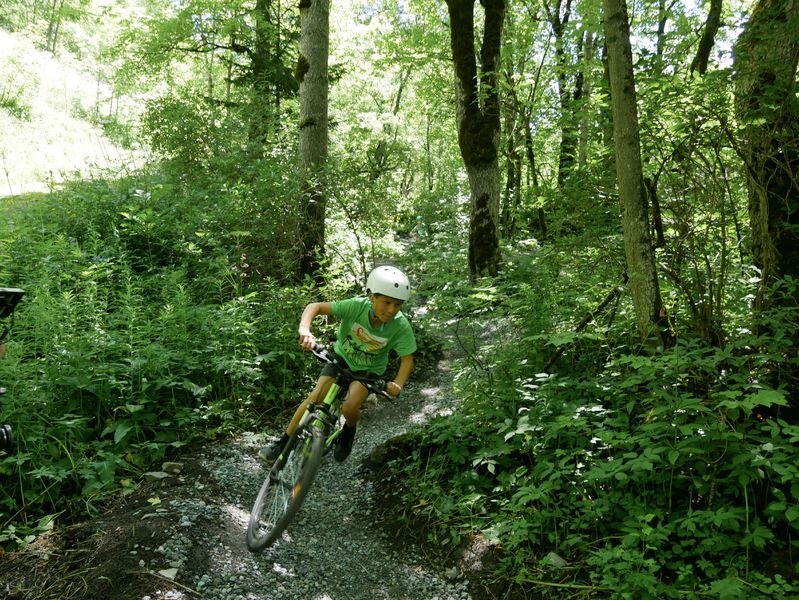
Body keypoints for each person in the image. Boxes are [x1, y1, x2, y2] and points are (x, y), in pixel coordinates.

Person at [260, 266, 417, 463]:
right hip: (341, 359)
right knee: (315, 397)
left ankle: (348, 431)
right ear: (371, 296)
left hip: (368, 371)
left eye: (397, 304)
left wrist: (398, 384)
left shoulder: (400, 326)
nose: (392, 309)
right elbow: (315, 307)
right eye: (386, 302)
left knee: (350, 406)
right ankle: (282, 443)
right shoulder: (356, 307)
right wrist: (305, 330)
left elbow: (407, 359)